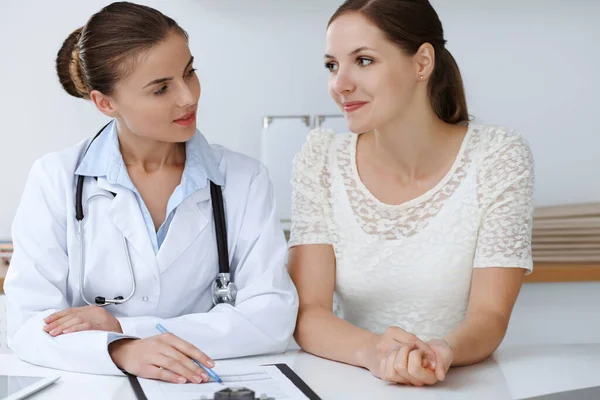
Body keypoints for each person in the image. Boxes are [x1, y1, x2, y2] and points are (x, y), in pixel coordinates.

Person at [4, 1, 298, 384]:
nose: (188, 97)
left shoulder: (243, 179)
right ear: (105, 103)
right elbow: (28, 324)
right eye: (161, 89)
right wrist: (119, 351)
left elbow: (272, 318)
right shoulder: (55, 177)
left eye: (189, 72)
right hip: (95, 386)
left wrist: (126, 330)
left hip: (209, 384)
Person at [288, 0, 535, 387]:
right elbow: (309, 314)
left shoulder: (498, 157)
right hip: (351, 384)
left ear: (422, 63)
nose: (340, 84)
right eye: (332, 65)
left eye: (364, 61)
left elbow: (490, 316)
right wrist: (376, 354)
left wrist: (440, 352)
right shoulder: (320, 161)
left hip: (463, 387)